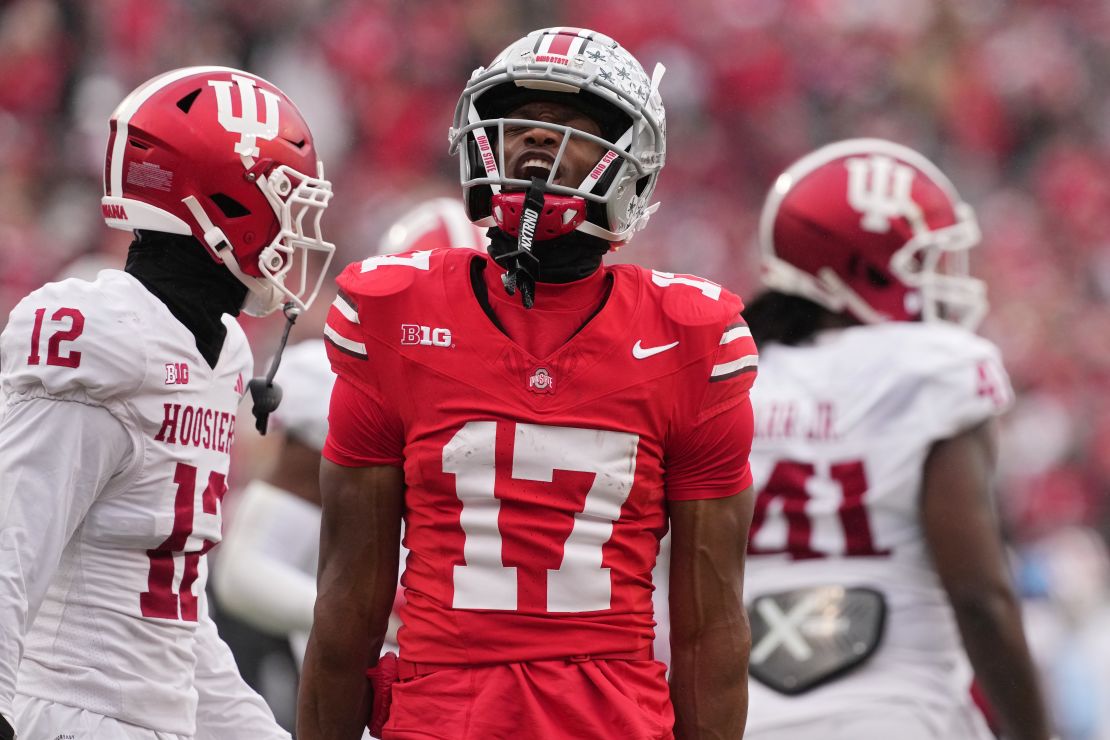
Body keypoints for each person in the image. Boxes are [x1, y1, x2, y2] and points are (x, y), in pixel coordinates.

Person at [297, 27, 759, 740]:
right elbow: (346, 607)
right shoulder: (394, 313)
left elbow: (711, 630)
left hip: (611, 722)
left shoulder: (690, 336)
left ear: (629, 162)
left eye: (571, 128)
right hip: (440, 719)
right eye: (521, 125)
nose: (535, 144)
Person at [0, 66, 335, 739]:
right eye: (283, 198)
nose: (297, 230)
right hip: (69, 714)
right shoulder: (102, 336)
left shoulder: (218, 352)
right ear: (225, 204)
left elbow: (172, 621)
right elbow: (11, 541)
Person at [739, 138, 1053, 740]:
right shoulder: (931, 368)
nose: (940, 278)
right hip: (896, 713)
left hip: (743, 717)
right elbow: (980, 596)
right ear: (864, 266)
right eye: (922, 260)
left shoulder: (731, 373)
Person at [212, 197, 488, 667]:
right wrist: (375, 619)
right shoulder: (335, 387)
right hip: (364, 693)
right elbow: (242, 573)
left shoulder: (560, 397)